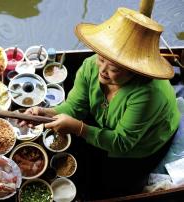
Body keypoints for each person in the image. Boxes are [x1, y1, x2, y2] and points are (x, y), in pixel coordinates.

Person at [19, 7, 180, 200]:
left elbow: (122, 143)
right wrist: (46, 113)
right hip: (106, 126)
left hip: (142, 143)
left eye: (114, 69)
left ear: (134, 71)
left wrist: (79, 129)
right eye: (101, 59)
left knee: (112, 183)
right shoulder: (90, 66)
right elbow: (75, 107)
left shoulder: (148, 95)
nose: (102, 70)